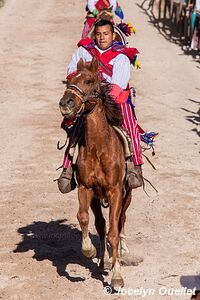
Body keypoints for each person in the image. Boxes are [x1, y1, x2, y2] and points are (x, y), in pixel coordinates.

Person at [58, 20, 143, 193]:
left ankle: (135, 165)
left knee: (129, 124)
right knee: (77, 126)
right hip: (89, 97)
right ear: (94, 35)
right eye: (98, 34)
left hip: (114, 99)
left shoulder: (121, 56)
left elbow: (117, 85)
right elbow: (72, 72)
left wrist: (99, 87)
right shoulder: (83, 51)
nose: (102, 37)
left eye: (105, 34)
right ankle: (67, 169)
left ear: (113, 35)